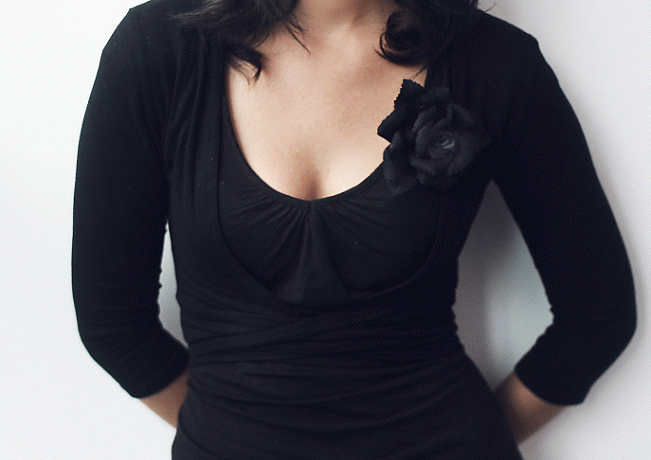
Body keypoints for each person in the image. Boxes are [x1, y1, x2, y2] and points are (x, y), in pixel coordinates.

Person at [72, 0, 636, 458]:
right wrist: (227, 433)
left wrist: (475, 442)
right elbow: (112, 323)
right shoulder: (160, 46)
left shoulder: (495, 62)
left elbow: (597, 318)